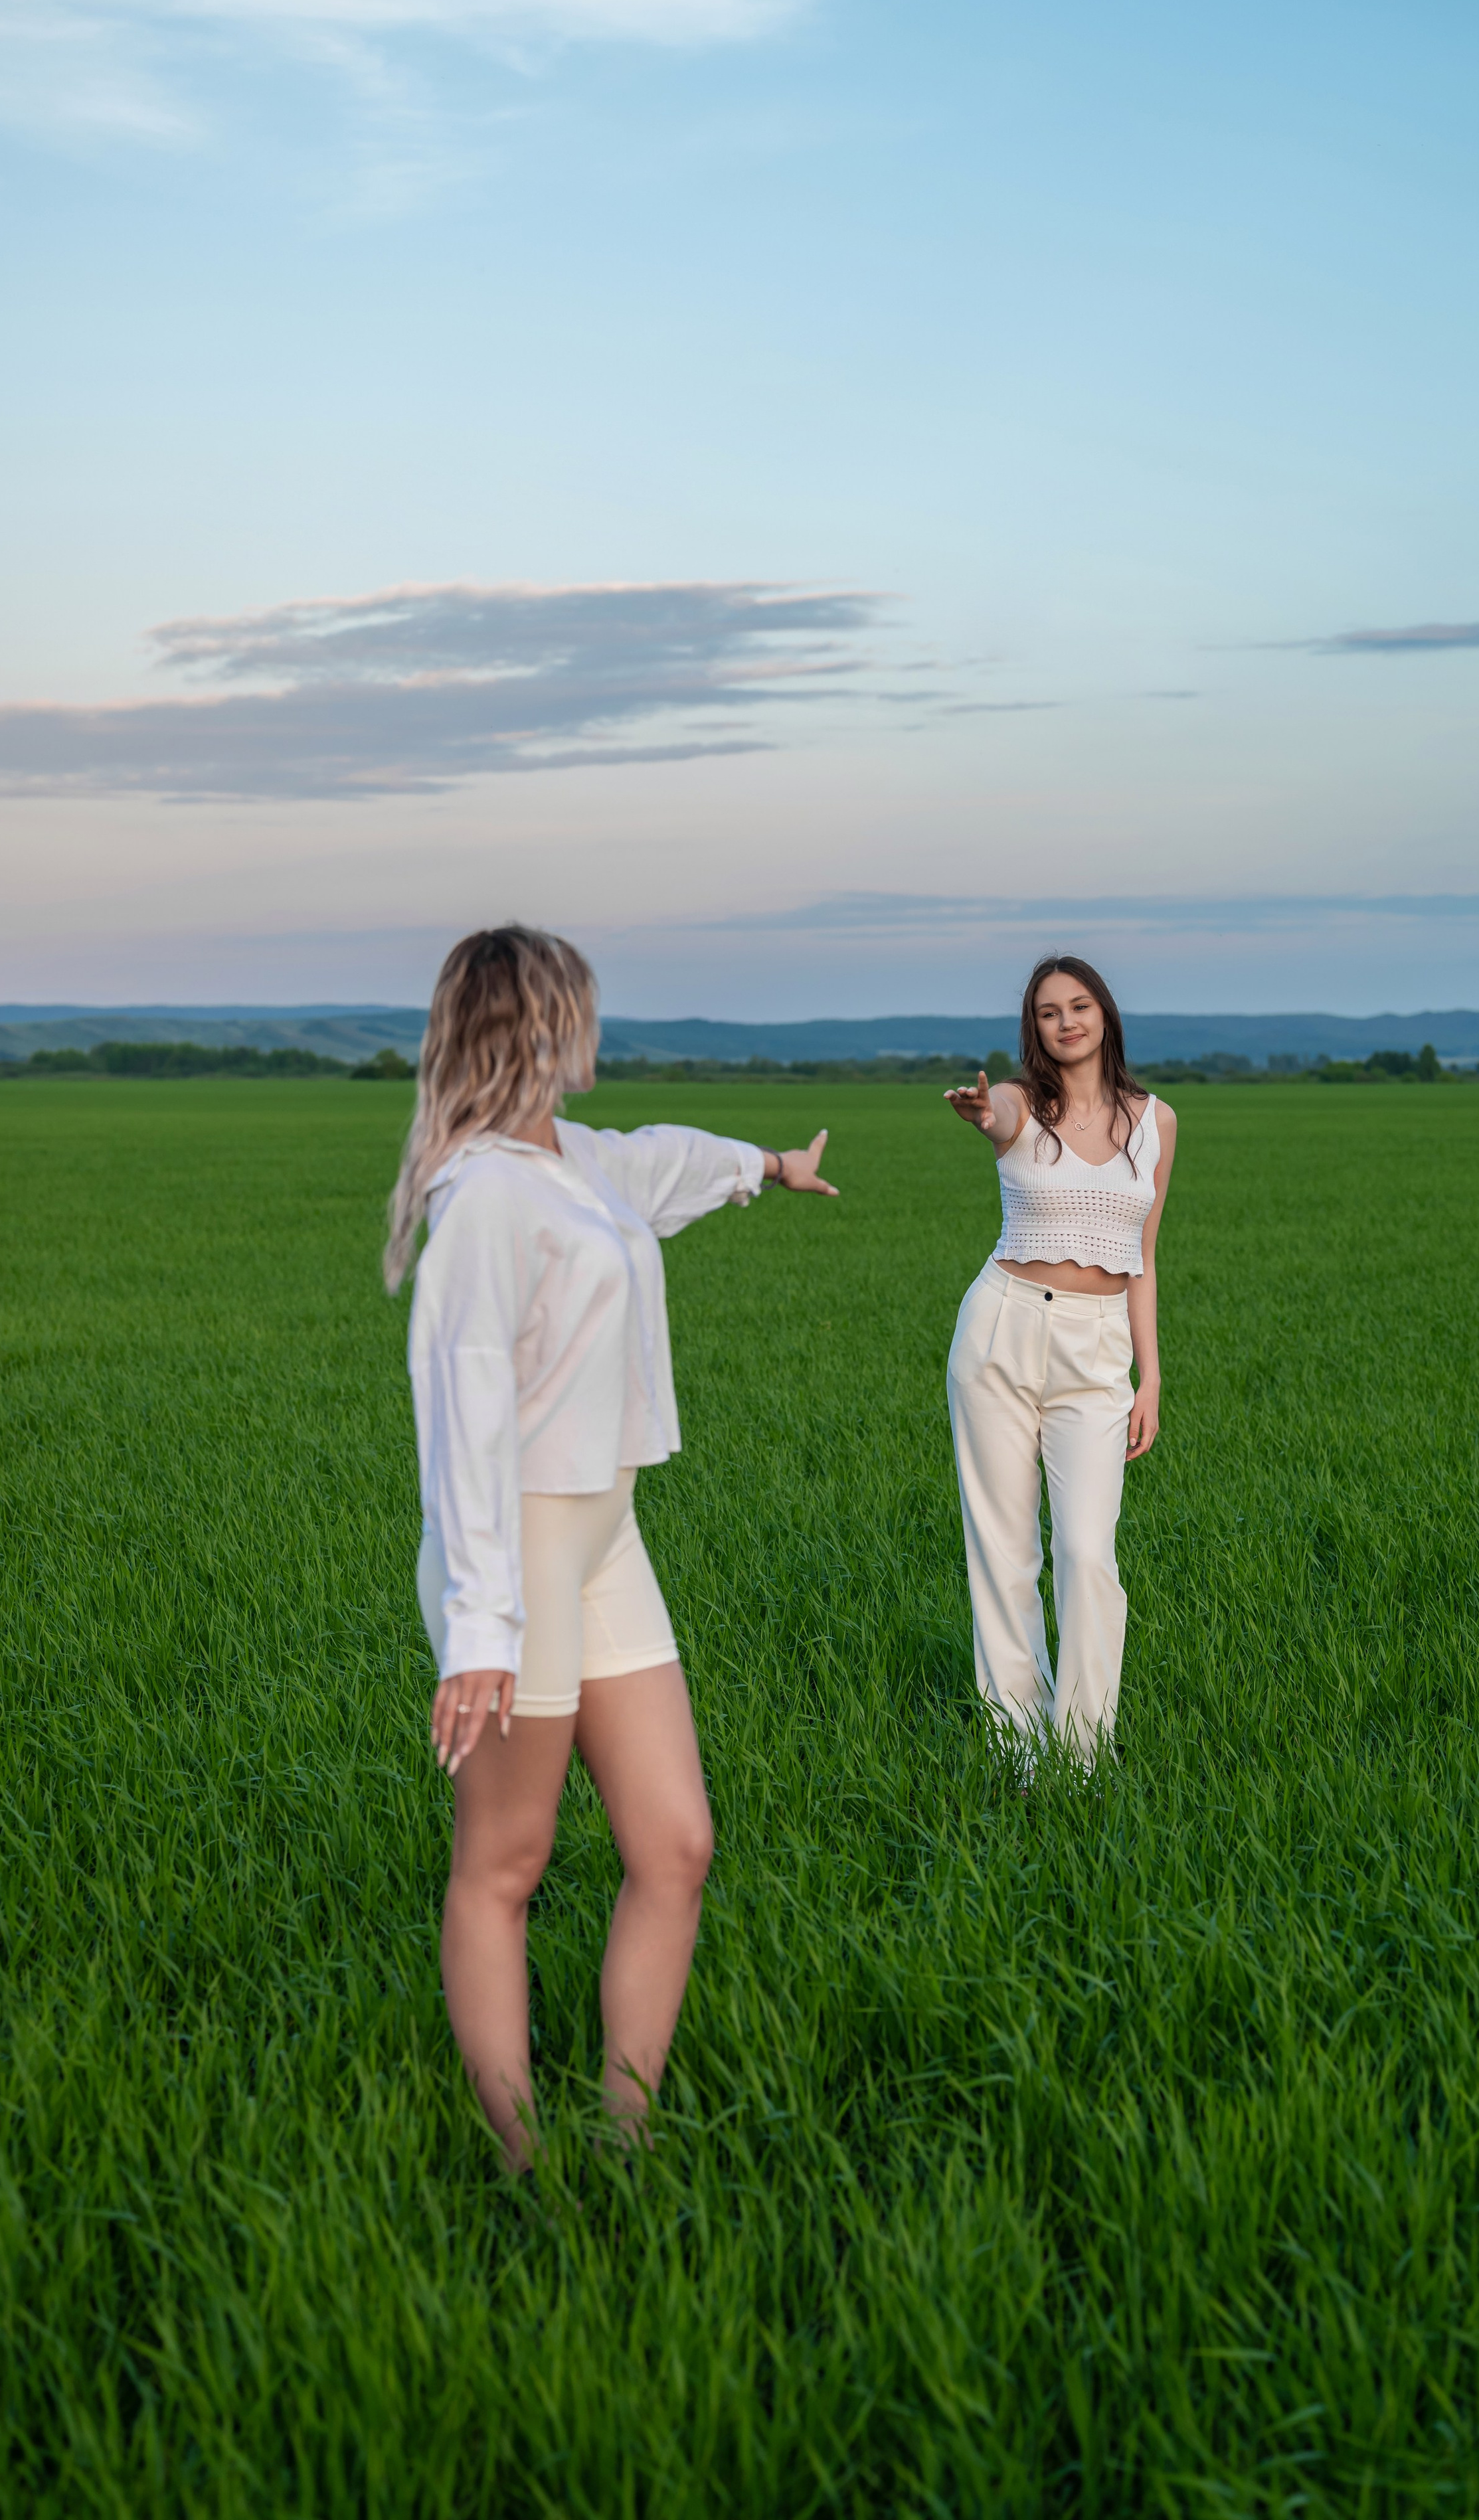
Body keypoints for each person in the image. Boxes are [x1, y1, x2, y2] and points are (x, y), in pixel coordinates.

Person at [385, 926, 837, 2168]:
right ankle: (523, 2160)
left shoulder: (575, 1160)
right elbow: (463, 1416)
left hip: (604, 1532)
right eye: (573, 1009)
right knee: (507, 1860)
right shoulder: (480, 1196)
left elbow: (658, 1165)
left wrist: (766, 1167)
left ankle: (626, 2141)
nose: (589, 1026)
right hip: (518, 1550)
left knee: (676, 1843)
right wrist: (478, 1627)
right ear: (528, 1024)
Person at [943, 955, 1175, 1770]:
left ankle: (1084, 1754)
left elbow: (1142, 1254)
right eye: (1048, 1012)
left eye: (1079, 1005)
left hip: (1100, 1347)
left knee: (1087, 1554)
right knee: (1004, 1552)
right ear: (1034, 1030)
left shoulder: (1156, 1121)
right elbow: (995, 1112)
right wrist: (982, 1108)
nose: (1066, 1021)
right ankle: (1019, 1751)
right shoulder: (1020, 1105)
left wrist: (1151, 1376)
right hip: (1000, 1332)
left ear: (1104, 1014)